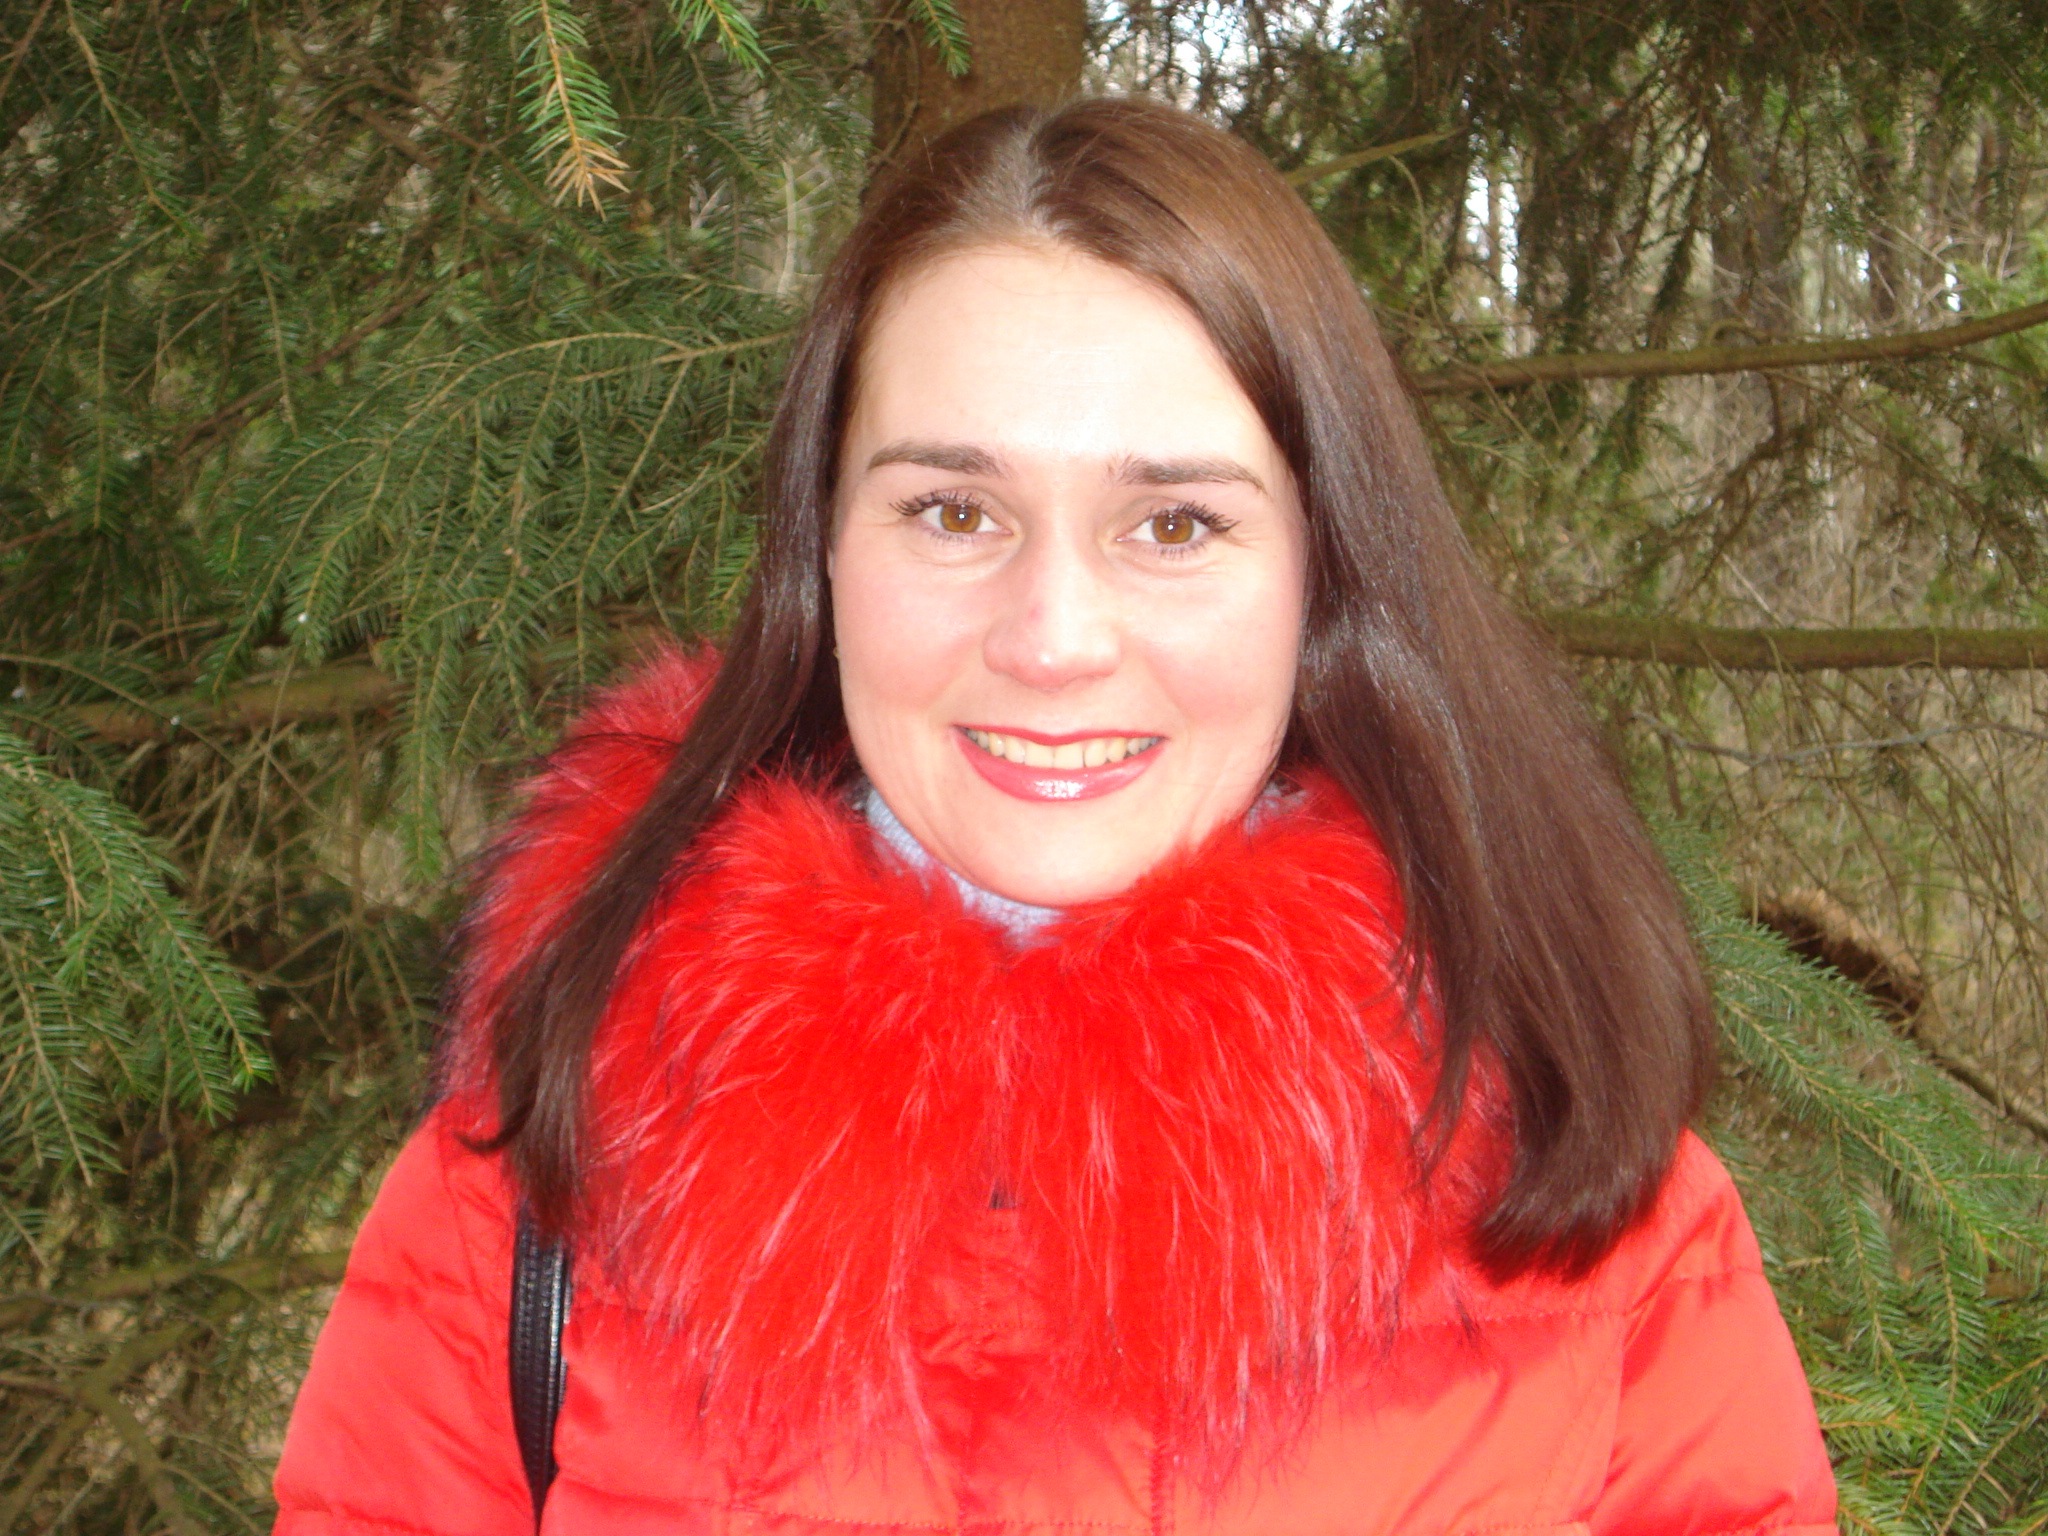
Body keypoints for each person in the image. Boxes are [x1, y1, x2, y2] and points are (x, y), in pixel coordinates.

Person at [273, 97, 1838, 1534]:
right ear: (824, 550)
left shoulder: (1594, 1213)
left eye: (1176, 524)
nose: (1054, 637)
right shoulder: (540, 1170)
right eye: (955, 512)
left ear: (1324, 571)